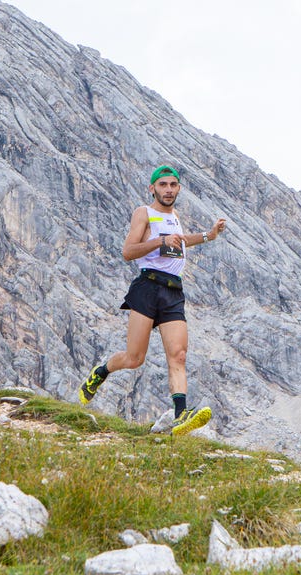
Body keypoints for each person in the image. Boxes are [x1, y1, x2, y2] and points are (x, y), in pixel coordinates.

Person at [78, 165, 226, 436]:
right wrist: (159, 241)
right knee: (134, 358)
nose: (168, 190)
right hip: (147, 287)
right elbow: (128, 251)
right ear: (153, 188)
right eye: (163, 185)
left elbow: (179, 242)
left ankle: (181, 415)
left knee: (179, 355)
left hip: (173, 292)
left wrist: (209, 235)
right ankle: (100, 372)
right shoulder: (143, 213)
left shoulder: (176, 216)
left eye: (173, 185)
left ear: (179, 189)